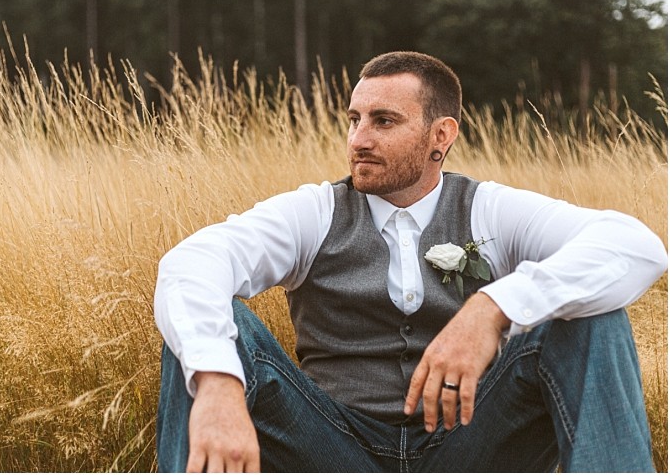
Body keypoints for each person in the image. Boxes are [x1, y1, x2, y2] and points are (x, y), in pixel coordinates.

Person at [153, 51, 667, 472]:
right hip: (332, 451)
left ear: (441, 135)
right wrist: (218, 385)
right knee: (212, 330)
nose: (358, 139)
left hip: (469, 448)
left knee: (587, 318)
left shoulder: (489, 208)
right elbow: (192, 263)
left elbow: (634, 245)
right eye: (354, 120)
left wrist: (494, 306)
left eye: (383, 121)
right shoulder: (314, 211)